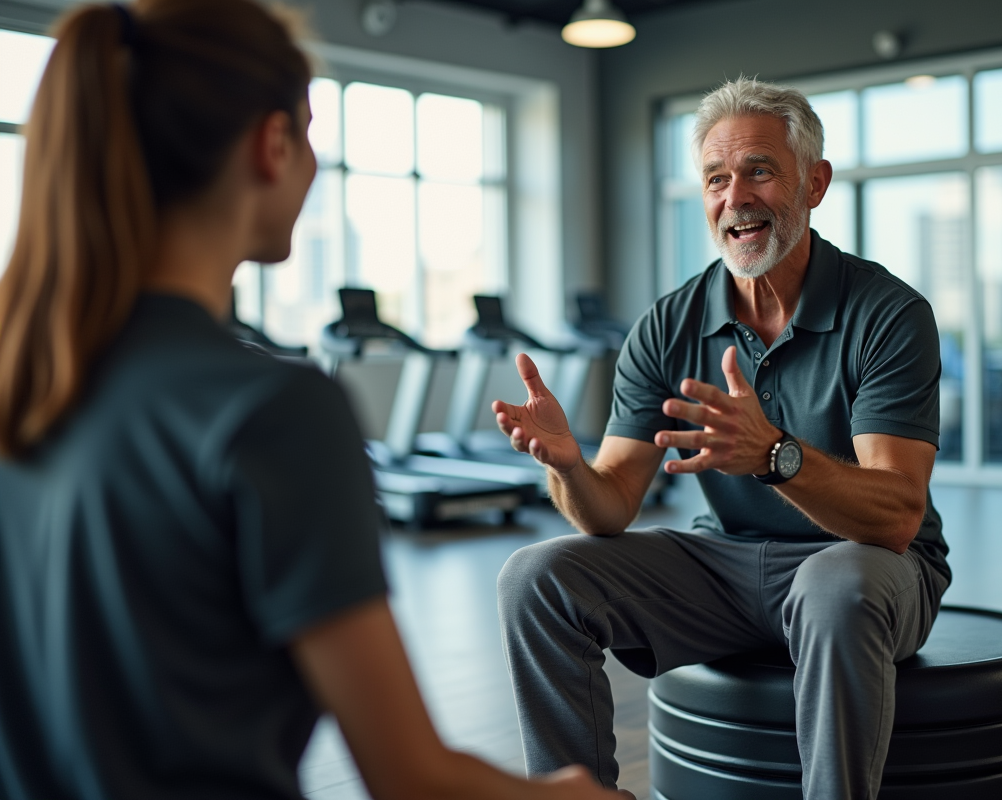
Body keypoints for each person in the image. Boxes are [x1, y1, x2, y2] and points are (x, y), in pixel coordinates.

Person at [0, 3, 622, 799]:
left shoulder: (27, 385)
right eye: (312, 132)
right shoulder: (277, 412)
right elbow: (412, 780)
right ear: (274, 144)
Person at [493, 77, 952, 800]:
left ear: (815, 182)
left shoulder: (888, 313)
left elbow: (895, 518)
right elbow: (609, 507)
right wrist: (569, 467)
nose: (735, 197)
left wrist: (776, 455)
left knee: (835, 585)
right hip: (728, 564)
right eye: (716, 178)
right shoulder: (667, 325)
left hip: (867, 566)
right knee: (535, 576)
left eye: (760, 171)